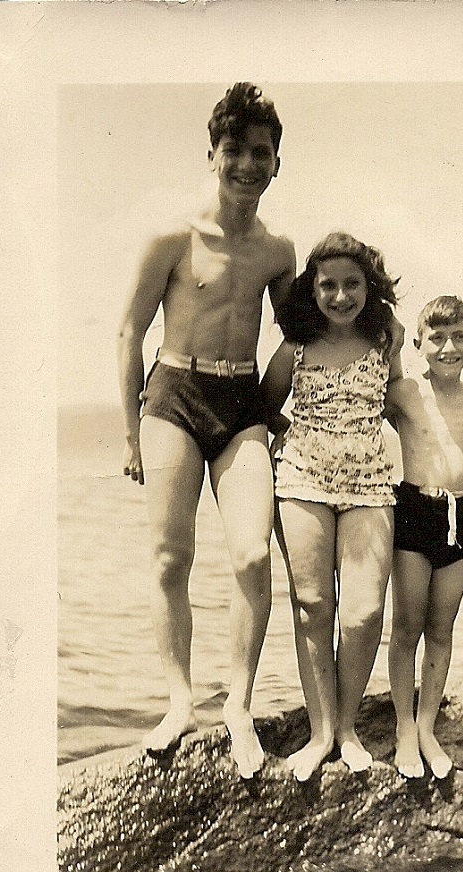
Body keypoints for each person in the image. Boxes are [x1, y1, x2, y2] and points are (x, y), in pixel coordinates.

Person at [116, 83, 297, 778]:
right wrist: (128, 432)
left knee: (252, 556)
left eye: (261, 153)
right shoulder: (171, 236)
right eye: (234, 151)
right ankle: (179, 700)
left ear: (277, 163)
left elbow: (302, 334)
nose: (247, 165)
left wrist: (279, 409)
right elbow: (130, 330)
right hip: (172, 396)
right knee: (170, 560)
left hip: (241, 399)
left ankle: (240, 707)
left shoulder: (277, 251)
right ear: (212, 155)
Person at [261, 232, 401, 781]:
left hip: (370, 481)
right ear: (311, 288)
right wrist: (301, 438)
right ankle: (322, 733)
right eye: (328, 285)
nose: (340, 296)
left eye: (351, 284)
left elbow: (400, 398)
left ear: (370, 287)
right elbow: (266, 405)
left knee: (364, 613)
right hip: (301, 480)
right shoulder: (294, 345)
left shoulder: (388, 336)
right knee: (313, 605)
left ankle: (348, 727)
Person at [384, 296, 463, 779]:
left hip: (461, 512)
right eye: (438, 338)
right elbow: (369, 393)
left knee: (441, 629)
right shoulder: (404, 391)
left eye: (459, 337)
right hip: (414, 509)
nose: (449, 347)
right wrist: (396, 340)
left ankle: (427, 727)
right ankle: (404, 726)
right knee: (406, 626)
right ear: (422, 343)